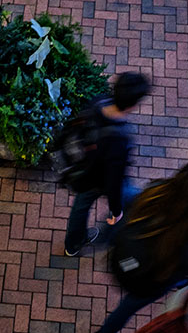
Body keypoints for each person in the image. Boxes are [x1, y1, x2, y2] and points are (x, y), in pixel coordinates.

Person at [83, 161, 188, 333]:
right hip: (149, 282)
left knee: (126, 308)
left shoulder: (154, 191)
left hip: (122, 261)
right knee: (128, 307)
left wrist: (108, 237)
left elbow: (124, 210)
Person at [63, 72, 151, 257]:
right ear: (133, 105)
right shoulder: (118, 139)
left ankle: (73, 244)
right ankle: (108, 237)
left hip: (84, 170)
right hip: (100, 178)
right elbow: (114, 180)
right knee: (130, 200)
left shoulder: (99, 102)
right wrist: (115, 209)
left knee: (80, 206)